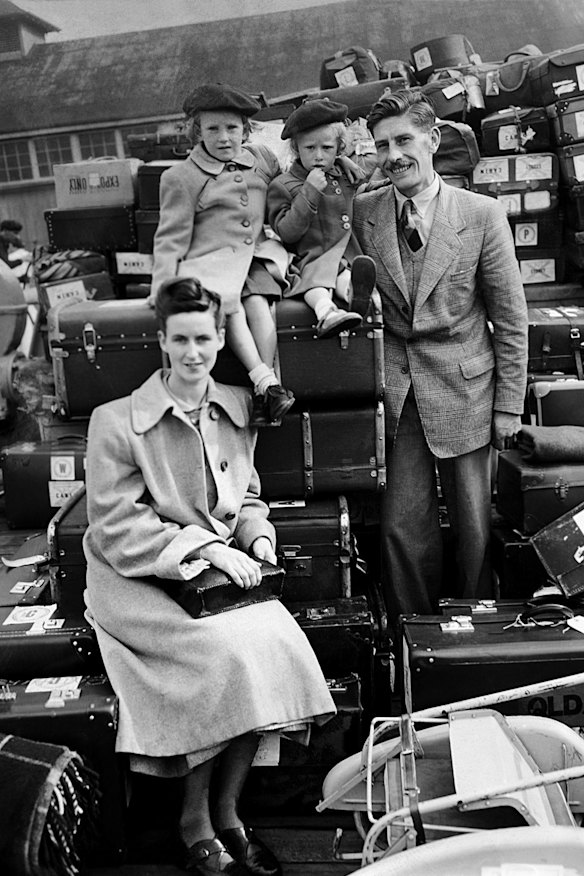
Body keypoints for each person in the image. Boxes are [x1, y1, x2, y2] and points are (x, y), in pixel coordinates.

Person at [83, 277, 336, 875]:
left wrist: (258, 537)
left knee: (277, 643)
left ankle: (228, 809)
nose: (194, 352)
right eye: (181, 340)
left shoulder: (233, 404)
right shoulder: (115, 422)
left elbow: (247, 497)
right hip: (139, 579)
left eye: (204, 338)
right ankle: (193, 818)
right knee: (224, 659)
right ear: (162, 343)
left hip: (213, 578)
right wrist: (209, 550)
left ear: (222, 337)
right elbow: (118, 527)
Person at [353, 89, 528, 620]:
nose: (393, 156)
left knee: (474, 527)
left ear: (432, 140)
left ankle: (474, 634)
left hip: (468, 393)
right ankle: (418, 642)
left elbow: (511, 319)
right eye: (382, 145)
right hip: (398, 395)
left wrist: (509, 407)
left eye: (404, 140)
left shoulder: (481, 215)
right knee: (403, 529)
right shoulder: (365, 212)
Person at [151, 82, 295, 427]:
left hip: (257, 255)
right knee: (227, 307)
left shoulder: (261, 159)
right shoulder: (181, 176)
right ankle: (266, 381)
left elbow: (291, 182)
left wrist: (342, 165)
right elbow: (169, 237)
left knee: (261, 303)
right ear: (197, 132)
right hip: (209, 261)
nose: (224, 138)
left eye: (232, 128)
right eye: (212, 129)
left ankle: (267, 391)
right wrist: (162, 288)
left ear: (245, 131)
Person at [267, 98, 373, 338]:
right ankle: (326, 313)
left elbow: (363, 190)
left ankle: (355, 300)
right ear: (296, 148)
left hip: (346, 255)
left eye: (327, 148)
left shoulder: (341, 174)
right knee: (316, 284)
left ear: (338, 149)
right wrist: (309, 192)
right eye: (309, 148)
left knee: (349, 277)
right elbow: (287, 231)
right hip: (310, 256)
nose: (318, 156)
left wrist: (345, 163)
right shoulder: (284, 185)